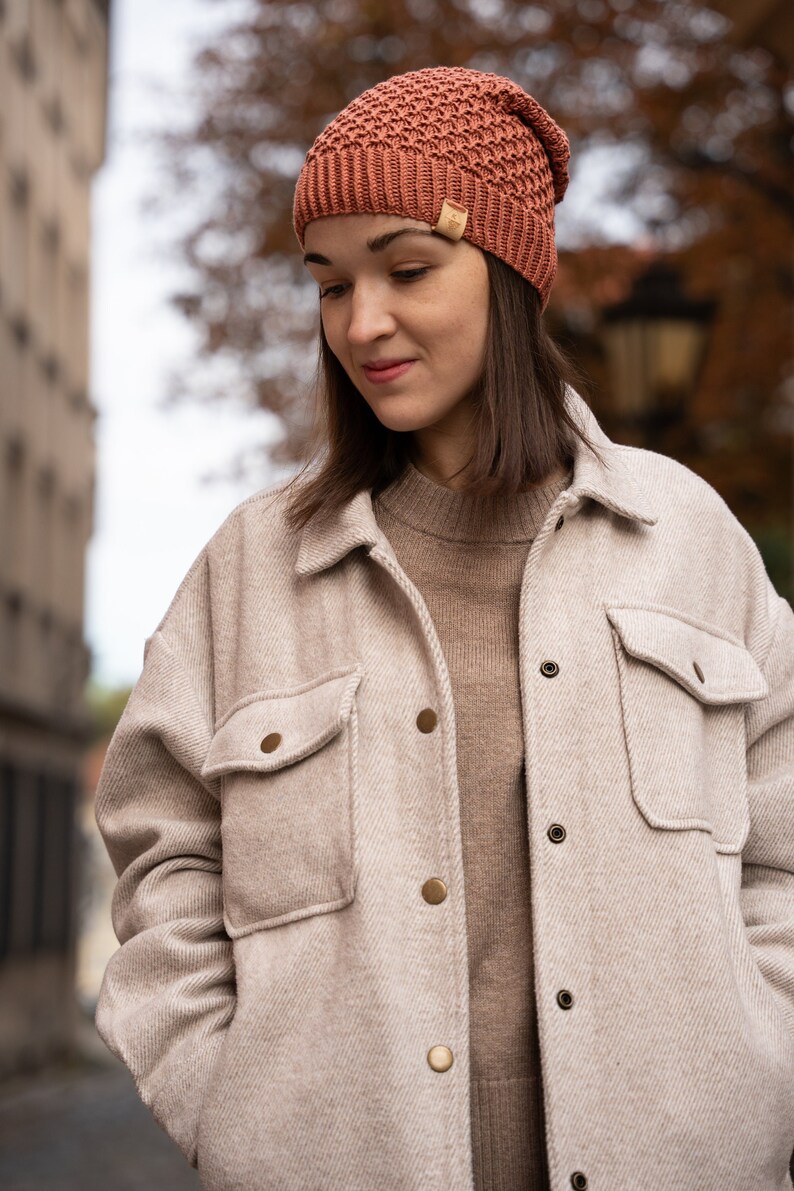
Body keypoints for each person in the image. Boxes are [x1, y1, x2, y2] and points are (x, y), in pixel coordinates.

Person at [94, 66, 794, 1191]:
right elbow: (160, 850)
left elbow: (781, 846)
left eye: (406, 269)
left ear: (507, 268)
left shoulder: (687, 539)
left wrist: (761, 1071)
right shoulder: (250, 570)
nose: (359, 323)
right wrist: (229, 1111)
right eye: (328, 285)